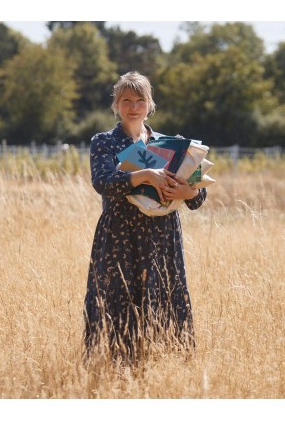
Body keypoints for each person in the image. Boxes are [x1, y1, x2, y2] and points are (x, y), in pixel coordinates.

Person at [83, 71, 207, 364]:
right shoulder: (103, 142)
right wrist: (146, 174)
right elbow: (103, 182)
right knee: (119, 299)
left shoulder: (171, 144)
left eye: (140, 99)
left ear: (150, 104)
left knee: (164, 296)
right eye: (127, 100)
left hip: (162, 235)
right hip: (119, 236)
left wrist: (187, 191)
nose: (134, 106)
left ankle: (164, 366)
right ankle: (116, 368)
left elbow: (198, 197)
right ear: (116, 104)